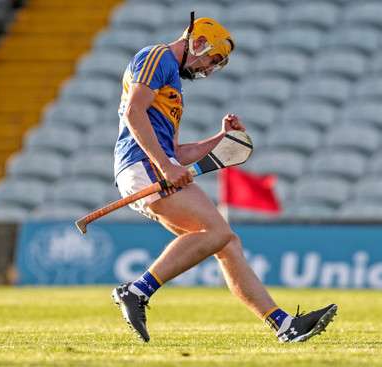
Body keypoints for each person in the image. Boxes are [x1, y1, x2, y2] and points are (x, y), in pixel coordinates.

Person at [110, 14, 337, 343]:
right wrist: (165, 166)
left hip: (150, 164)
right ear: (198, 42)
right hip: (143, 164)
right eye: (211, 59)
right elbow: (134, 113)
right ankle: (136, 291)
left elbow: (175, 151)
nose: (207, 69)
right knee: (217, 231)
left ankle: (285, 325)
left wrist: (220, 140)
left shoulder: (171, 79)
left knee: (225, 242)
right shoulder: (157, 56)